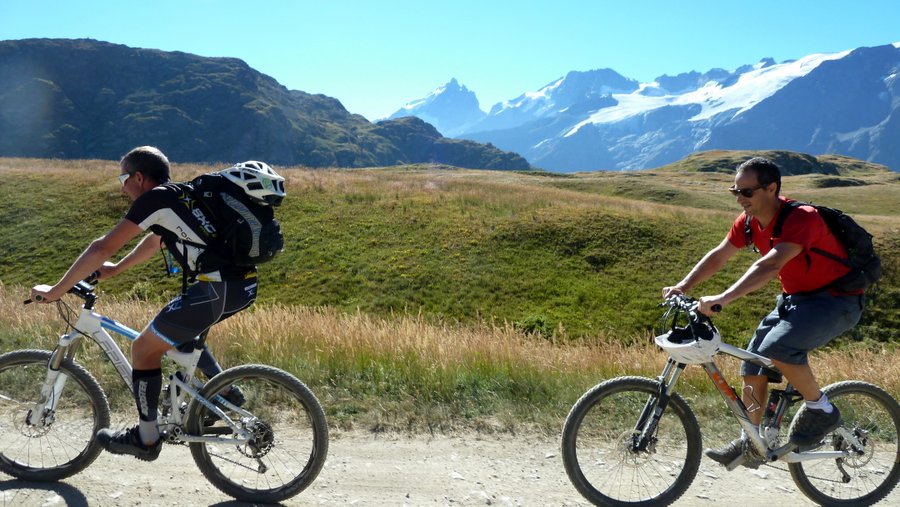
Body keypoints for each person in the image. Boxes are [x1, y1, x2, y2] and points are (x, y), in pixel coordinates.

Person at [31, 146, 280, 461]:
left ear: (138, 177)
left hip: (216, 289)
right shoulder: (180, 196)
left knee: (143, 349)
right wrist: (116, 270)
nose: (122, 188)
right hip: (240, 286)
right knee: (179, 332)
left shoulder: (155, 199)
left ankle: (146, 438)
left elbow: (100, 247)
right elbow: (155, 240)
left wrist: (55, 290)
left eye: (123, 179)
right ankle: (224, 392)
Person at [662, 157, 864, 469]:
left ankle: (822, 409)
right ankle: (753, 441)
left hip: (836, 301)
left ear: (771, 188)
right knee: (753, 362)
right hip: (796, 299)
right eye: (735, 192)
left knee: (779, 349)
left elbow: (769, 265)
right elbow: (719, 255)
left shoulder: (802, 218)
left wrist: (724, 298)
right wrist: (683, 286)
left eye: (747, 192)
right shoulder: (747, 222)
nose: (740, 199)